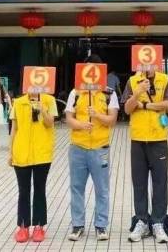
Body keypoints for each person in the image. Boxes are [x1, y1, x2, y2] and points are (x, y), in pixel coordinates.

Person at [65, 54, 119, 242]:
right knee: (76, 188)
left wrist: (96, 115)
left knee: (102, 189)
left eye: (93, 68)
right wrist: (80, 125)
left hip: (100, 148)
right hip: (77, 147)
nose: (89, 72)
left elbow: (112, 120)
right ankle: (77, 225)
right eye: (86, 67)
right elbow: (68, 119)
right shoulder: (75, 92)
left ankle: (101, 226)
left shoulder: (109, 93)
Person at [122, 65, 168, 243]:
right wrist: (137, 93)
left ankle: (158, 222)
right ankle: (142, 221)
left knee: (160, 183)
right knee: (139, 183)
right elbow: (127, 109)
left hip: (158, 138)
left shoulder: (164, 80)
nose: (147, 65)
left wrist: (145, 105)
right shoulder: (132, 81)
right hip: (138, 138)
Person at [8, 85, 58, 243]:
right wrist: (10, 152)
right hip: (21, 153)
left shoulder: (49, 100)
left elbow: (50, 123)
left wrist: (42, 109)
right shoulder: (18, 102)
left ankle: (39, 226)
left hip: (42, 155)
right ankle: (23, 226)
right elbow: (14, 129)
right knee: (23, 191)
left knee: (39, 190)